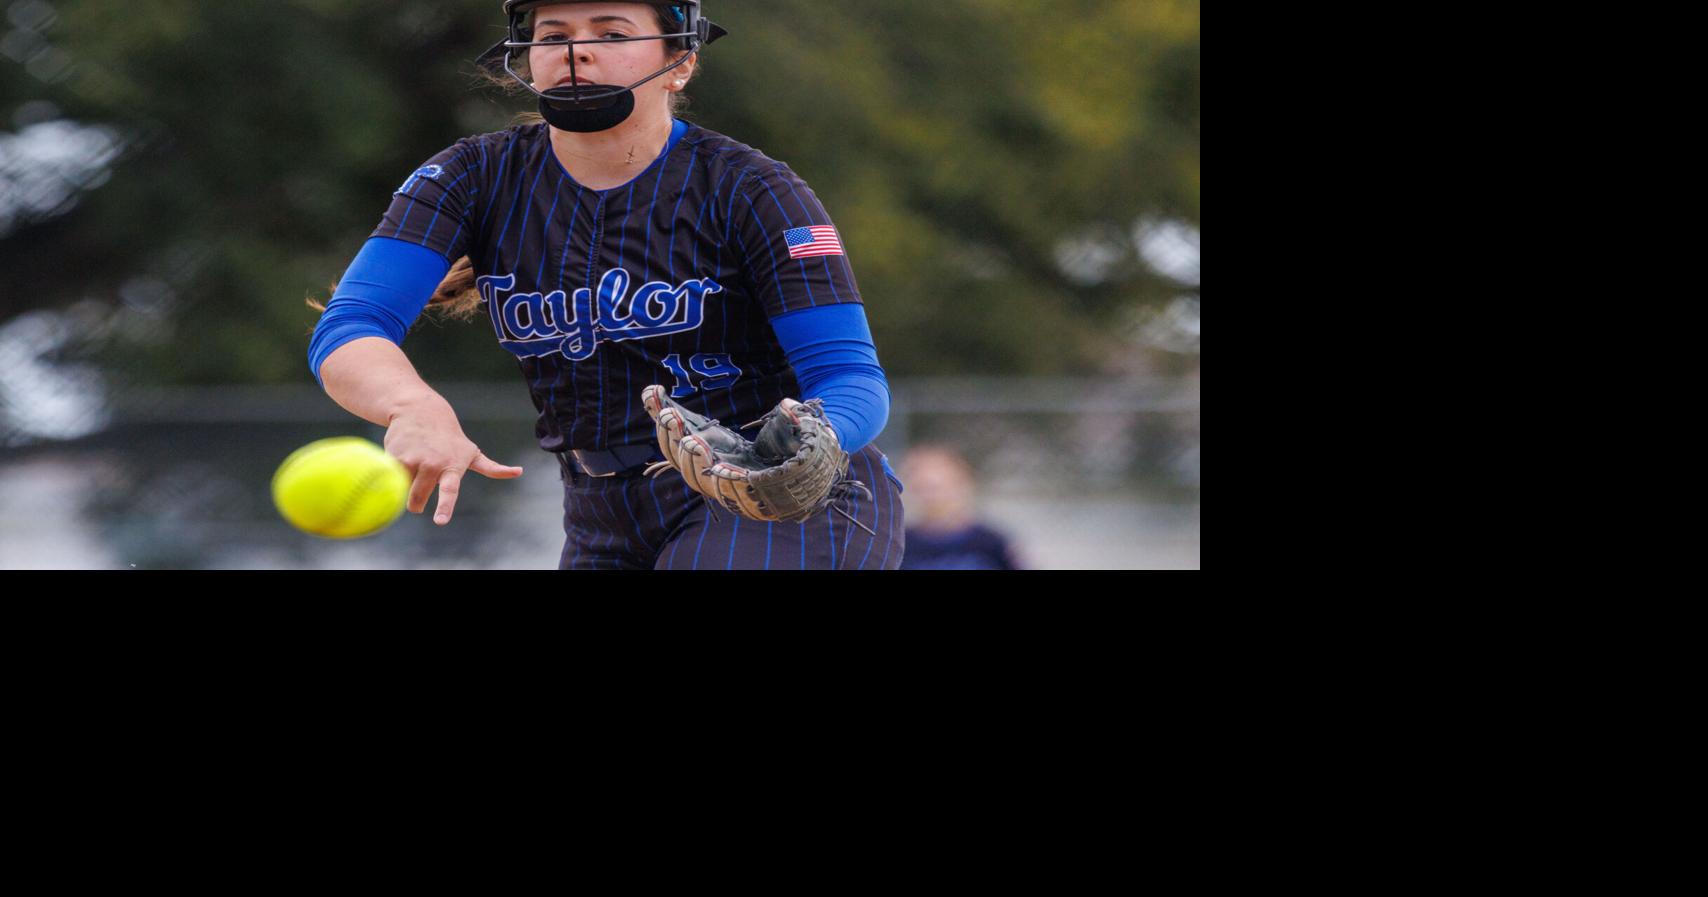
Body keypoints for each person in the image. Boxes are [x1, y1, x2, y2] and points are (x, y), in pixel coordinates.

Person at [306, 1, 904, 569]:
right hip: (599, 514)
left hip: (773, 499)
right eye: (553, 35)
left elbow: (850, 375)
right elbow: (351, 326)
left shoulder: (752, 187)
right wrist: (412, 406)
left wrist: (806, 445)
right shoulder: (470, 175)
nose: (576, 52)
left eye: (612, 33)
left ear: (683, 62)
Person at [899, 445, 1023, 570]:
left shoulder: (991, 543)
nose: (931, 497)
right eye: (921, 488)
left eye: (936, 487)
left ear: (961, 484)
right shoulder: (899, 544)